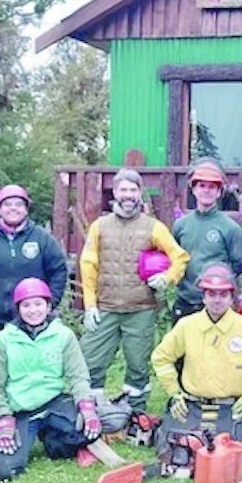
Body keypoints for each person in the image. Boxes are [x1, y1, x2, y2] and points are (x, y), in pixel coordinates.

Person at [79, 168, 189, 410]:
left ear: (140, 193)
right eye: (123, 189)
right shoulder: (99, 226)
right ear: (115, 192)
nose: (128, 195)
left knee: (138, 364)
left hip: (141, 309)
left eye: (133, 190)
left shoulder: (153, 227)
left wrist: (167, 278)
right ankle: (92, 410)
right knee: (91, 360)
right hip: (105, 307)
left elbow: (180, 257)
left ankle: (134, 411)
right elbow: (88, 265)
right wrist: (89, 306)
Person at [0, 278, 105, 482]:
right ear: (18, 309)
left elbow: (78, 376)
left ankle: (50, 436)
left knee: (89, 431)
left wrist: (87, 408)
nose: (33, 310)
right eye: (26, 305)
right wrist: (3, 419)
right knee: (3, 471)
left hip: (53, 402)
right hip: (20, 410)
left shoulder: (63, 335)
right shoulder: (4, 339)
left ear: (48, 306)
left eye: (38, 304)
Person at [151, 263, 242, 451]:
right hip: (192, 404)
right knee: (171, 447)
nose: (217, 300)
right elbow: (161, 357)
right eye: (211, 294)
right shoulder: (187, 325)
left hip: (232, 407)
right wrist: (174, 392)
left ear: (232, 298)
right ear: (204, 297)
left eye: (223, 295)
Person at [0, 184, 69, 339]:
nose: (13, 208)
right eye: (7, 204)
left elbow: (58, 271)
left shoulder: (42, 239)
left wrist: (47, 305)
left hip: (29, 318)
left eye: (18, 204)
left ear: (26, 209)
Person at [172, 159, 242, 322]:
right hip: (185, 301)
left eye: (212, 187)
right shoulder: (181, 225)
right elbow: (174, 258)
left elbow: (239, 264)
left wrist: (217, 286)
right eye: (202, 186)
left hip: (215, 305)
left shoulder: (230, 228)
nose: (206, 191)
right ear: (193, 189)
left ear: (219, 192)